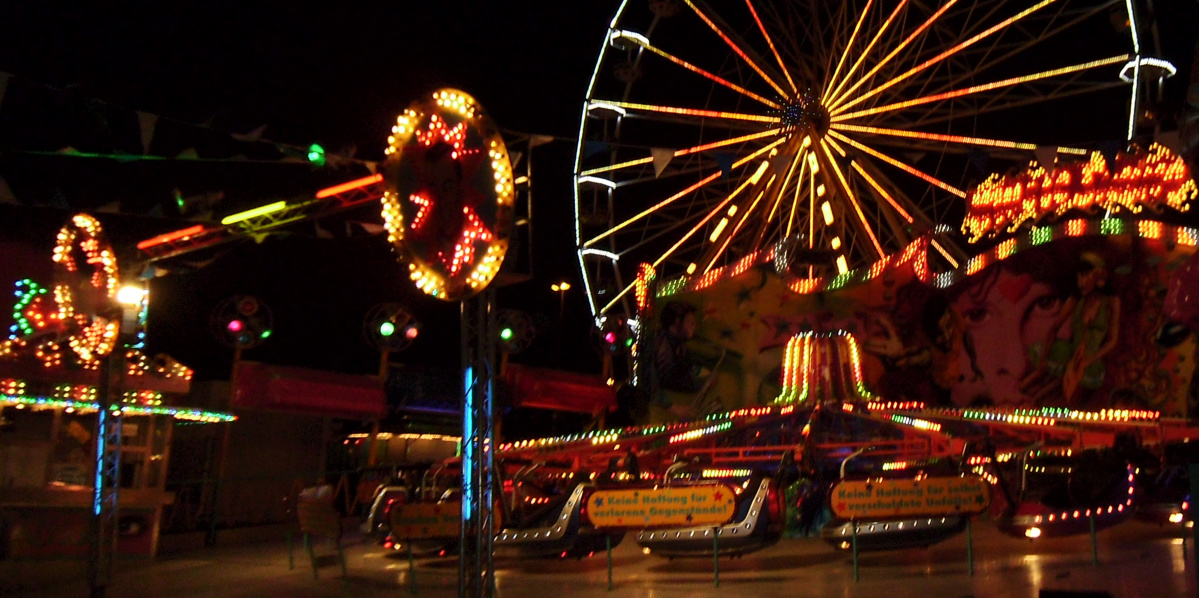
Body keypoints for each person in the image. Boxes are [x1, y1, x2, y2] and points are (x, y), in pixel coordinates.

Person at [1021, 252, 1121, 405]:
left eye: (1084, 276)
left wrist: (1088, 360)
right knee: (1033, 388)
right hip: (1069, 355)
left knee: (1061, 399)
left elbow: (1112, 340)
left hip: (1090, 361)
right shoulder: (1075, 300)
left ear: (1097, 276)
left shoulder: (1111, 302)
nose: (1080, 282)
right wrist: (1042, 360)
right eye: (1078, 277)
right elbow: (1054, 328)